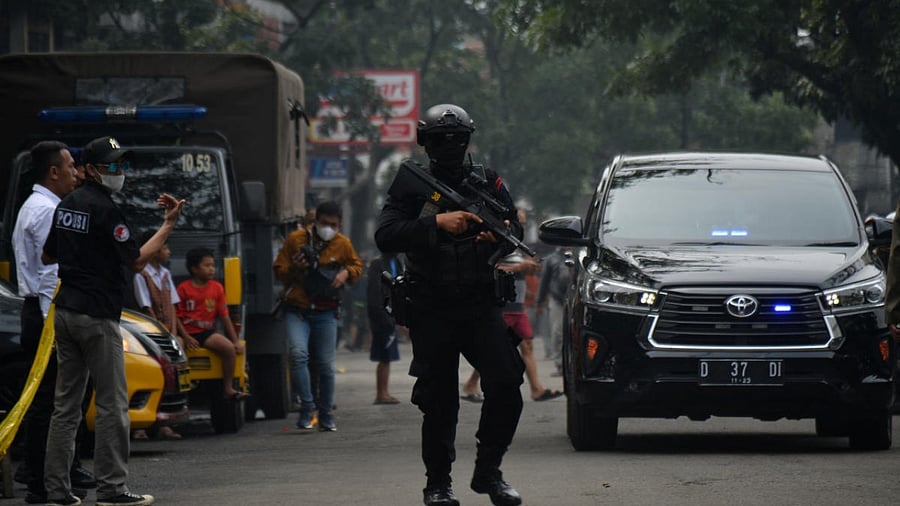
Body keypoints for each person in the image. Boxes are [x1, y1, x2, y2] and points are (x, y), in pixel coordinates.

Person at [375, 103, 526, 506]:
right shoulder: (413, 185)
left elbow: (514, 226)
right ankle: (438, 484)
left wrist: (497, 235)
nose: (451, 146)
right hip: (432, 307)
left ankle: (488, 471)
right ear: (426, 142)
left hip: (479, 304)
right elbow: (386, 235)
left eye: (458, 139)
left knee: (507, 383)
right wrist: (437, 223)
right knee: (439, 401)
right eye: (442, 139)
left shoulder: (487, 181)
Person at [42, 135, 185, 506]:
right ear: (90, 169)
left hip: (65, 312)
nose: (119, 171)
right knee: (112, 405)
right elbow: (136, 260)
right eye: (112, 165)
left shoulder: (67, 204)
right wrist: (168, 225)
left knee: (65, 406)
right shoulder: (106, 209)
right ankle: (112, 489)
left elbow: (48, 255)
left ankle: (56, 490)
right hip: (96, 316)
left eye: (122, 164)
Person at [12, 140, 97, 504]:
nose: (77, 173)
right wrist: (57, 327)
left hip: (42, 312)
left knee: (61, 398)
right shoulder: (47, 211)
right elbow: (51, 275)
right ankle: (41, 478)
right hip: (47, 314)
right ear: (53, 171)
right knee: (51, 401)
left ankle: (57, 469)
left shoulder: (39, 206)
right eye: (71, 166)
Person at [273, 200, 363, 432]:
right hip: (298, 309)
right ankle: (307, 406)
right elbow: (279, 270)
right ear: (315, 222)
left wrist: (346, 273)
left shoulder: (343, 244)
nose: (328, 228)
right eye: (324, 223)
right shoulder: (296, 240)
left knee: (325, 364)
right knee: (298, 355)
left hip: (326, 311)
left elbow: (357, 266)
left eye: (333, 225)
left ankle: (326, 413)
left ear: (339, 225)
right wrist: (295, 268)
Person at [176, 247, 247, 400]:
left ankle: (228, 387)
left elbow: (224, 316)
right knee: (177, 350)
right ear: (194, 269)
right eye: (207, 265)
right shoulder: (183, 289)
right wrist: (186, 337)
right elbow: (177, 317)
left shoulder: (217, 288)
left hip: (206, 333)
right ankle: (180, 391)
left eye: (213, 265)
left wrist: (235, 341)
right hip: (186, 333)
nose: (211, 269)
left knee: (228, 349)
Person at [132, 230, 183, 440]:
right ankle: (141, 426)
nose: (168, 252)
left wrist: (174, 333)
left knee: (173, 376)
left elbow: (172, 305)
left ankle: (165, 422)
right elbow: (146, 308)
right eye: (164, 247)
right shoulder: (141, 275)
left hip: (168, 333)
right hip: (150, 335)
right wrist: (160, 333)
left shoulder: (165, 274)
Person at [367, 253, 405, 404]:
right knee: (385, 356)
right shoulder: (378, 264)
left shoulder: (396, 262)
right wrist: (384, 317)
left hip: (391, 315)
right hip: (382, 317)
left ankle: (384, 392)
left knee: (387, 356)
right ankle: (381, 393)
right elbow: (374, 294)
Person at [536, 246, 571, 377]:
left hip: (573, 298)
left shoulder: (579, 256)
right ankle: (560, 364)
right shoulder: (551, 259)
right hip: (557, 299)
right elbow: (544, 282)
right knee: (557, 331)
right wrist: (539, 302)